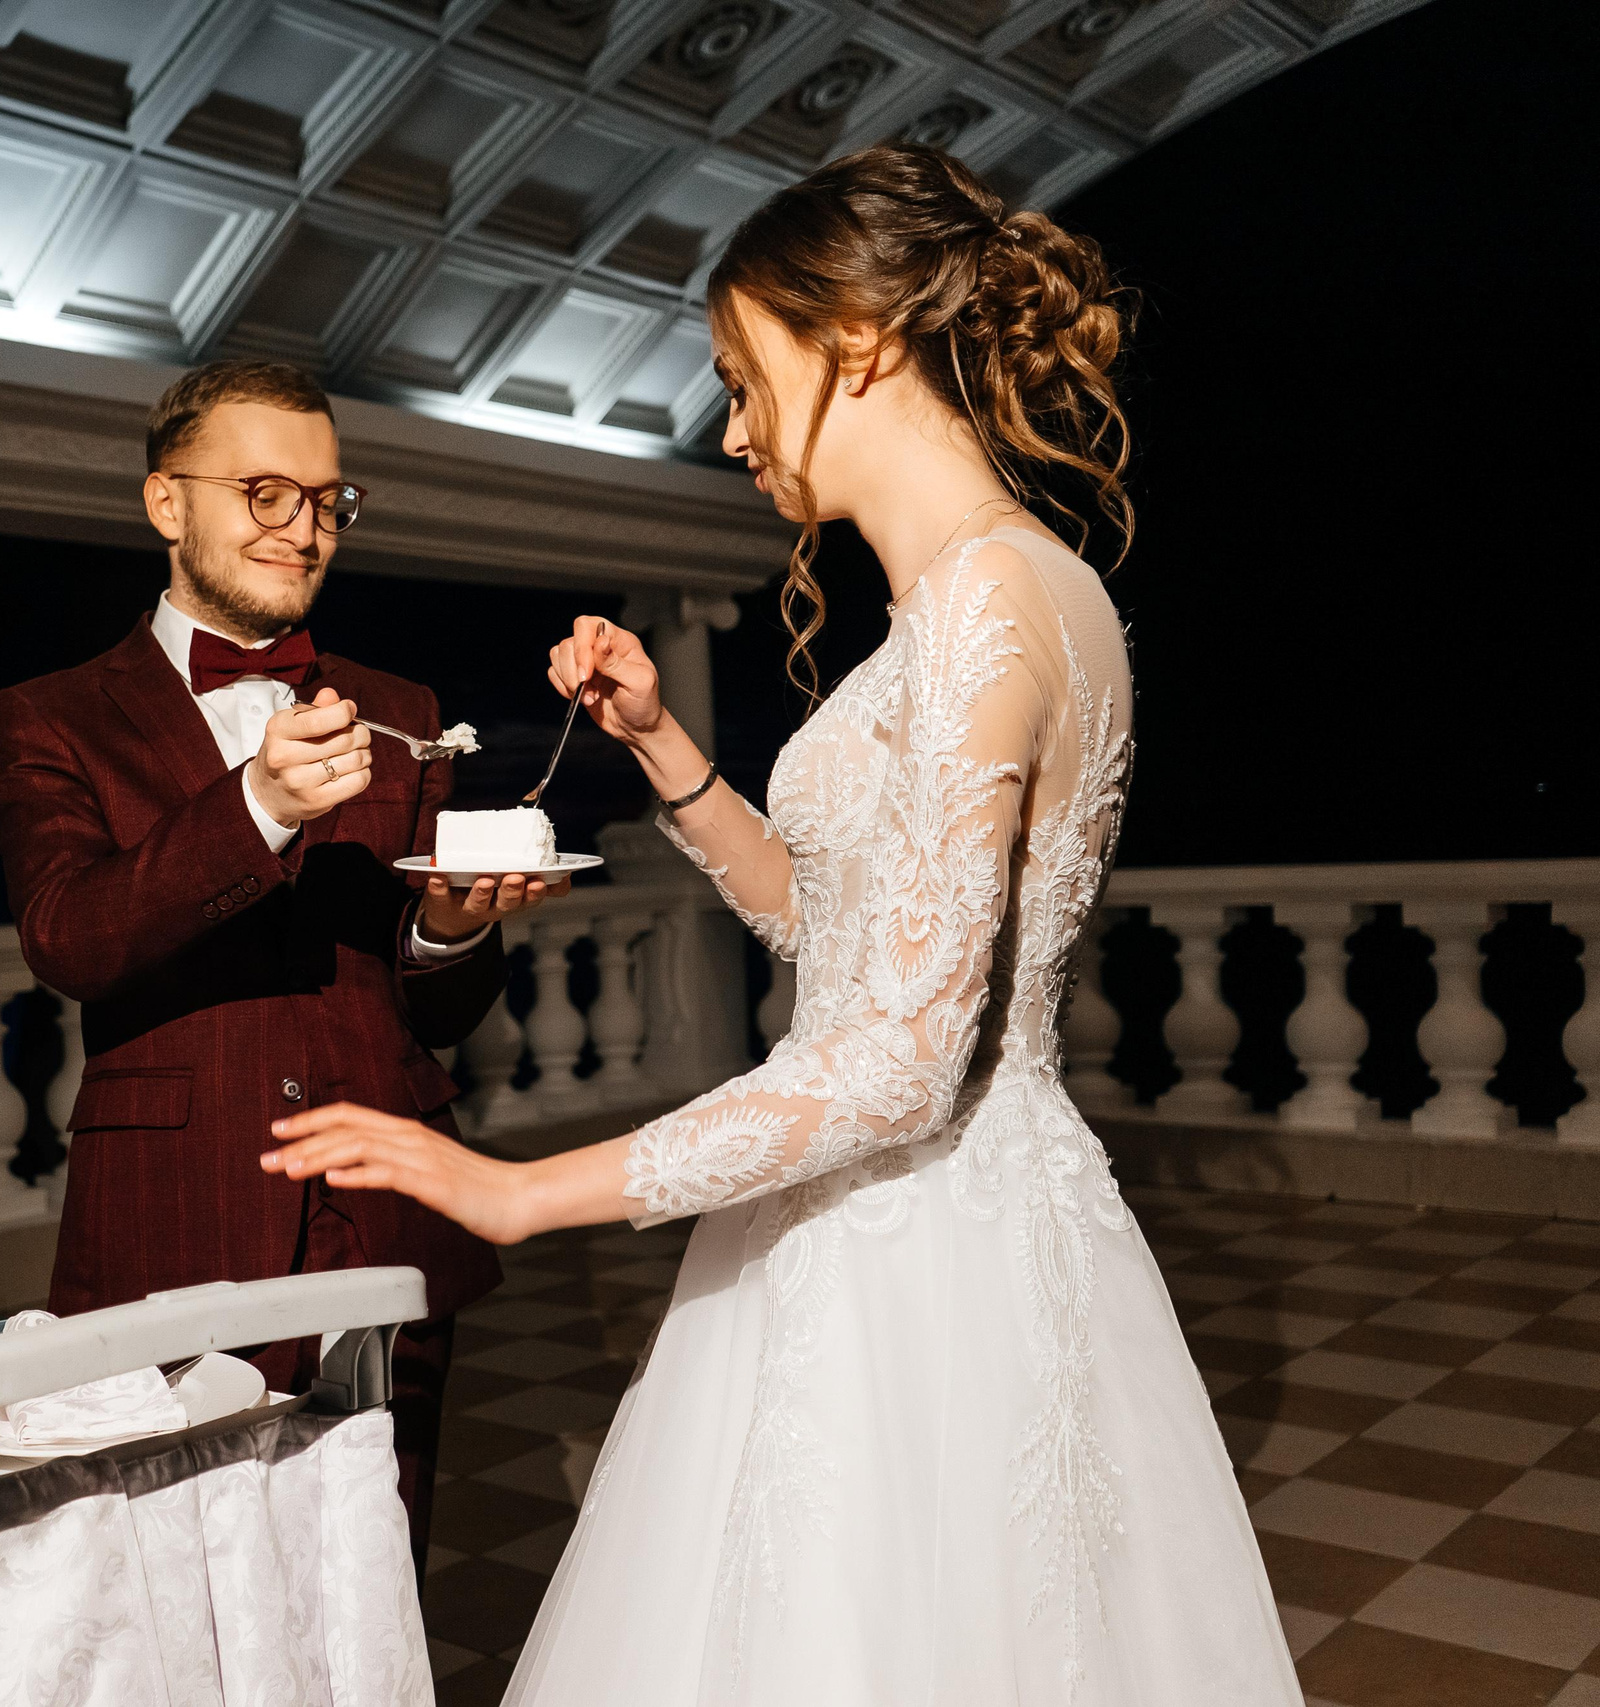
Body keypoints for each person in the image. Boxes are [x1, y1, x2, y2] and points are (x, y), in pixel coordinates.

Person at [264, 146, 1304, 1703]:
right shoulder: (1026, 588)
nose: (735, 430)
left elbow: (893, 1061)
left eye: (746, 379)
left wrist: (518, 1191)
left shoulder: (982, 609)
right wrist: (669, 749)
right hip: (956, 1207)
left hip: (912, 1244)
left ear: (860, 341)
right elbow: (844, 929)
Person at [0, 359, 556, 1569]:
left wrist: (452, 926)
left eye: (325, 501)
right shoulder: (53, 714)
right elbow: (69, 938)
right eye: (262, 493)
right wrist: (250, 806)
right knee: (179, 1598)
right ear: (166, 504)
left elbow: (438, 1012)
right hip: (175, 1222)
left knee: (381, 1591)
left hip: (386, 1217)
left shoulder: (401, 707)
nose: (301, 531)